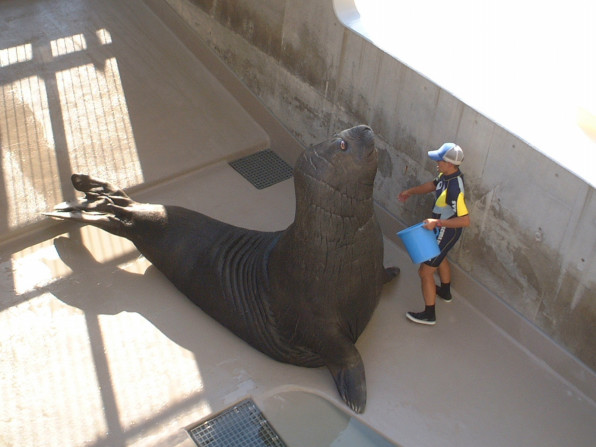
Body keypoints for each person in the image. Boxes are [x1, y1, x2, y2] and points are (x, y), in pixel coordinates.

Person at [398, 143, 470, 325]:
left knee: (425, 272)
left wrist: (436, 223)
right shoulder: (445, 176)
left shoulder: (455, 189)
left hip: (446, 230)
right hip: (442, 229)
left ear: (450, 164)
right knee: (441, 257)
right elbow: (432, 185)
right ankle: (445, 292)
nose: (436, 162)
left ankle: (429, 314)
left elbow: (465, 220)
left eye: (440, 160)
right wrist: (410, 192)